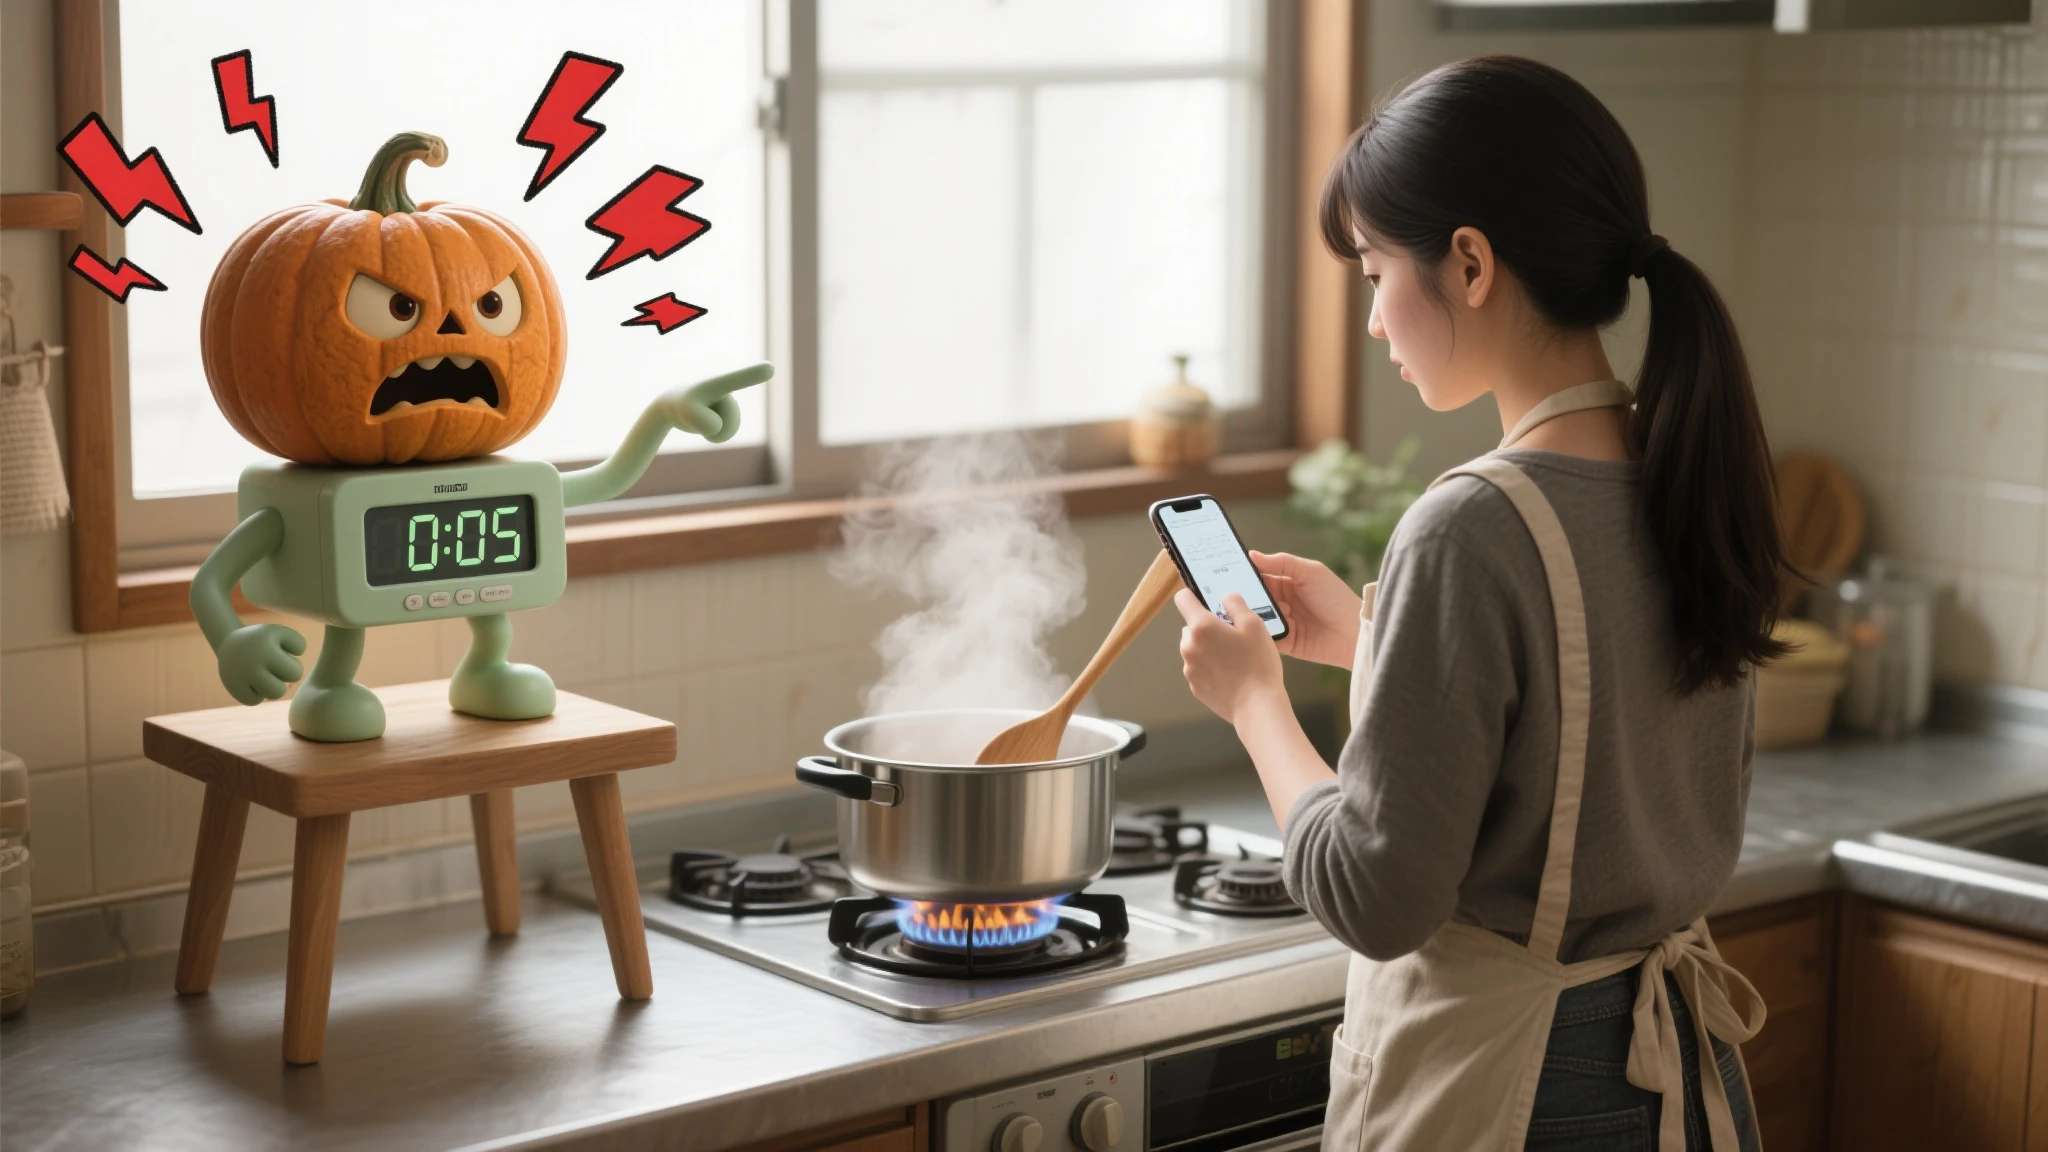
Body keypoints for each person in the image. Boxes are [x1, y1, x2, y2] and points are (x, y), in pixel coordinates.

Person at [1173, 55, 1779, 1151]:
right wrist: (1375, 642)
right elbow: (1584, 711)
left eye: (1373, 274)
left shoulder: (1470, 525)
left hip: (1526, 1092)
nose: (1373, 322)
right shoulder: (1685, 471)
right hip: (1675, 1083)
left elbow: (1373, 896)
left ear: (1468, 262)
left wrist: (1252, 702)